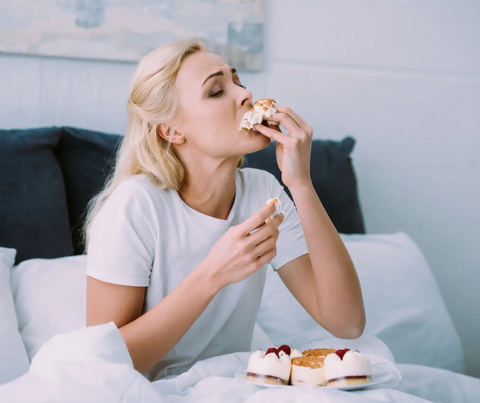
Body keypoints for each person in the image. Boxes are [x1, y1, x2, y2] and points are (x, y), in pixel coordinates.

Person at [84, 39, 366, 382]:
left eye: (238, 81)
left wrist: (301, 185)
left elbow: (347, 322)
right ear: (172, 130)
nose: (245, 96)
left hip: (233, 386)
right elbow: (104, 366)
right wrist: (213, 274)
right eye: (217, 91)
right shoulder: (135, 206)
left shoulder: (264, 193)